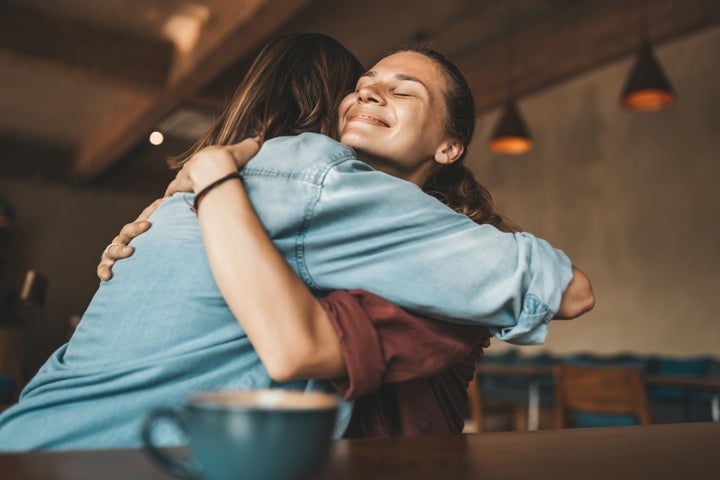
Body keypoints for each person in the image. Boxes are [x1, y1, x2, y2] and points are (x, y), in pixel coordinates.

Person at [0, 33, 592, 450]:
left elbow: (569, 291)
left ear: (449, 146)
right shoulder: (307, 177)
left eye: (404, 90)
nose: (369, 94)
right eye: (362, 86)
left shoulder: (309, 185)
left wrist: (210, 175)